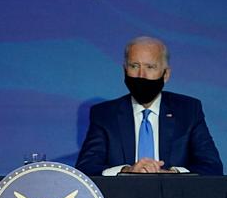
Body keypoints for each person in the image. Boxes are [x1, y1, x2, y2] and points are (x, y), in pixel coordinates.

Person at [75, 36, 223, 176]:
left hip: (173, 194)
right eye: (134, 66)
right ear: (125, 70)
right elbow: (85, 168)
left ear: (166, 74)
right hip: (122, 194)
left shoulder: (188, 110)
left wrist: (172, 175)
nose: (141, 75)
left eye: (150, 67)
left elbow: (212, 167)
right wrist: (127, 171)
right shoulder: (104, 114)